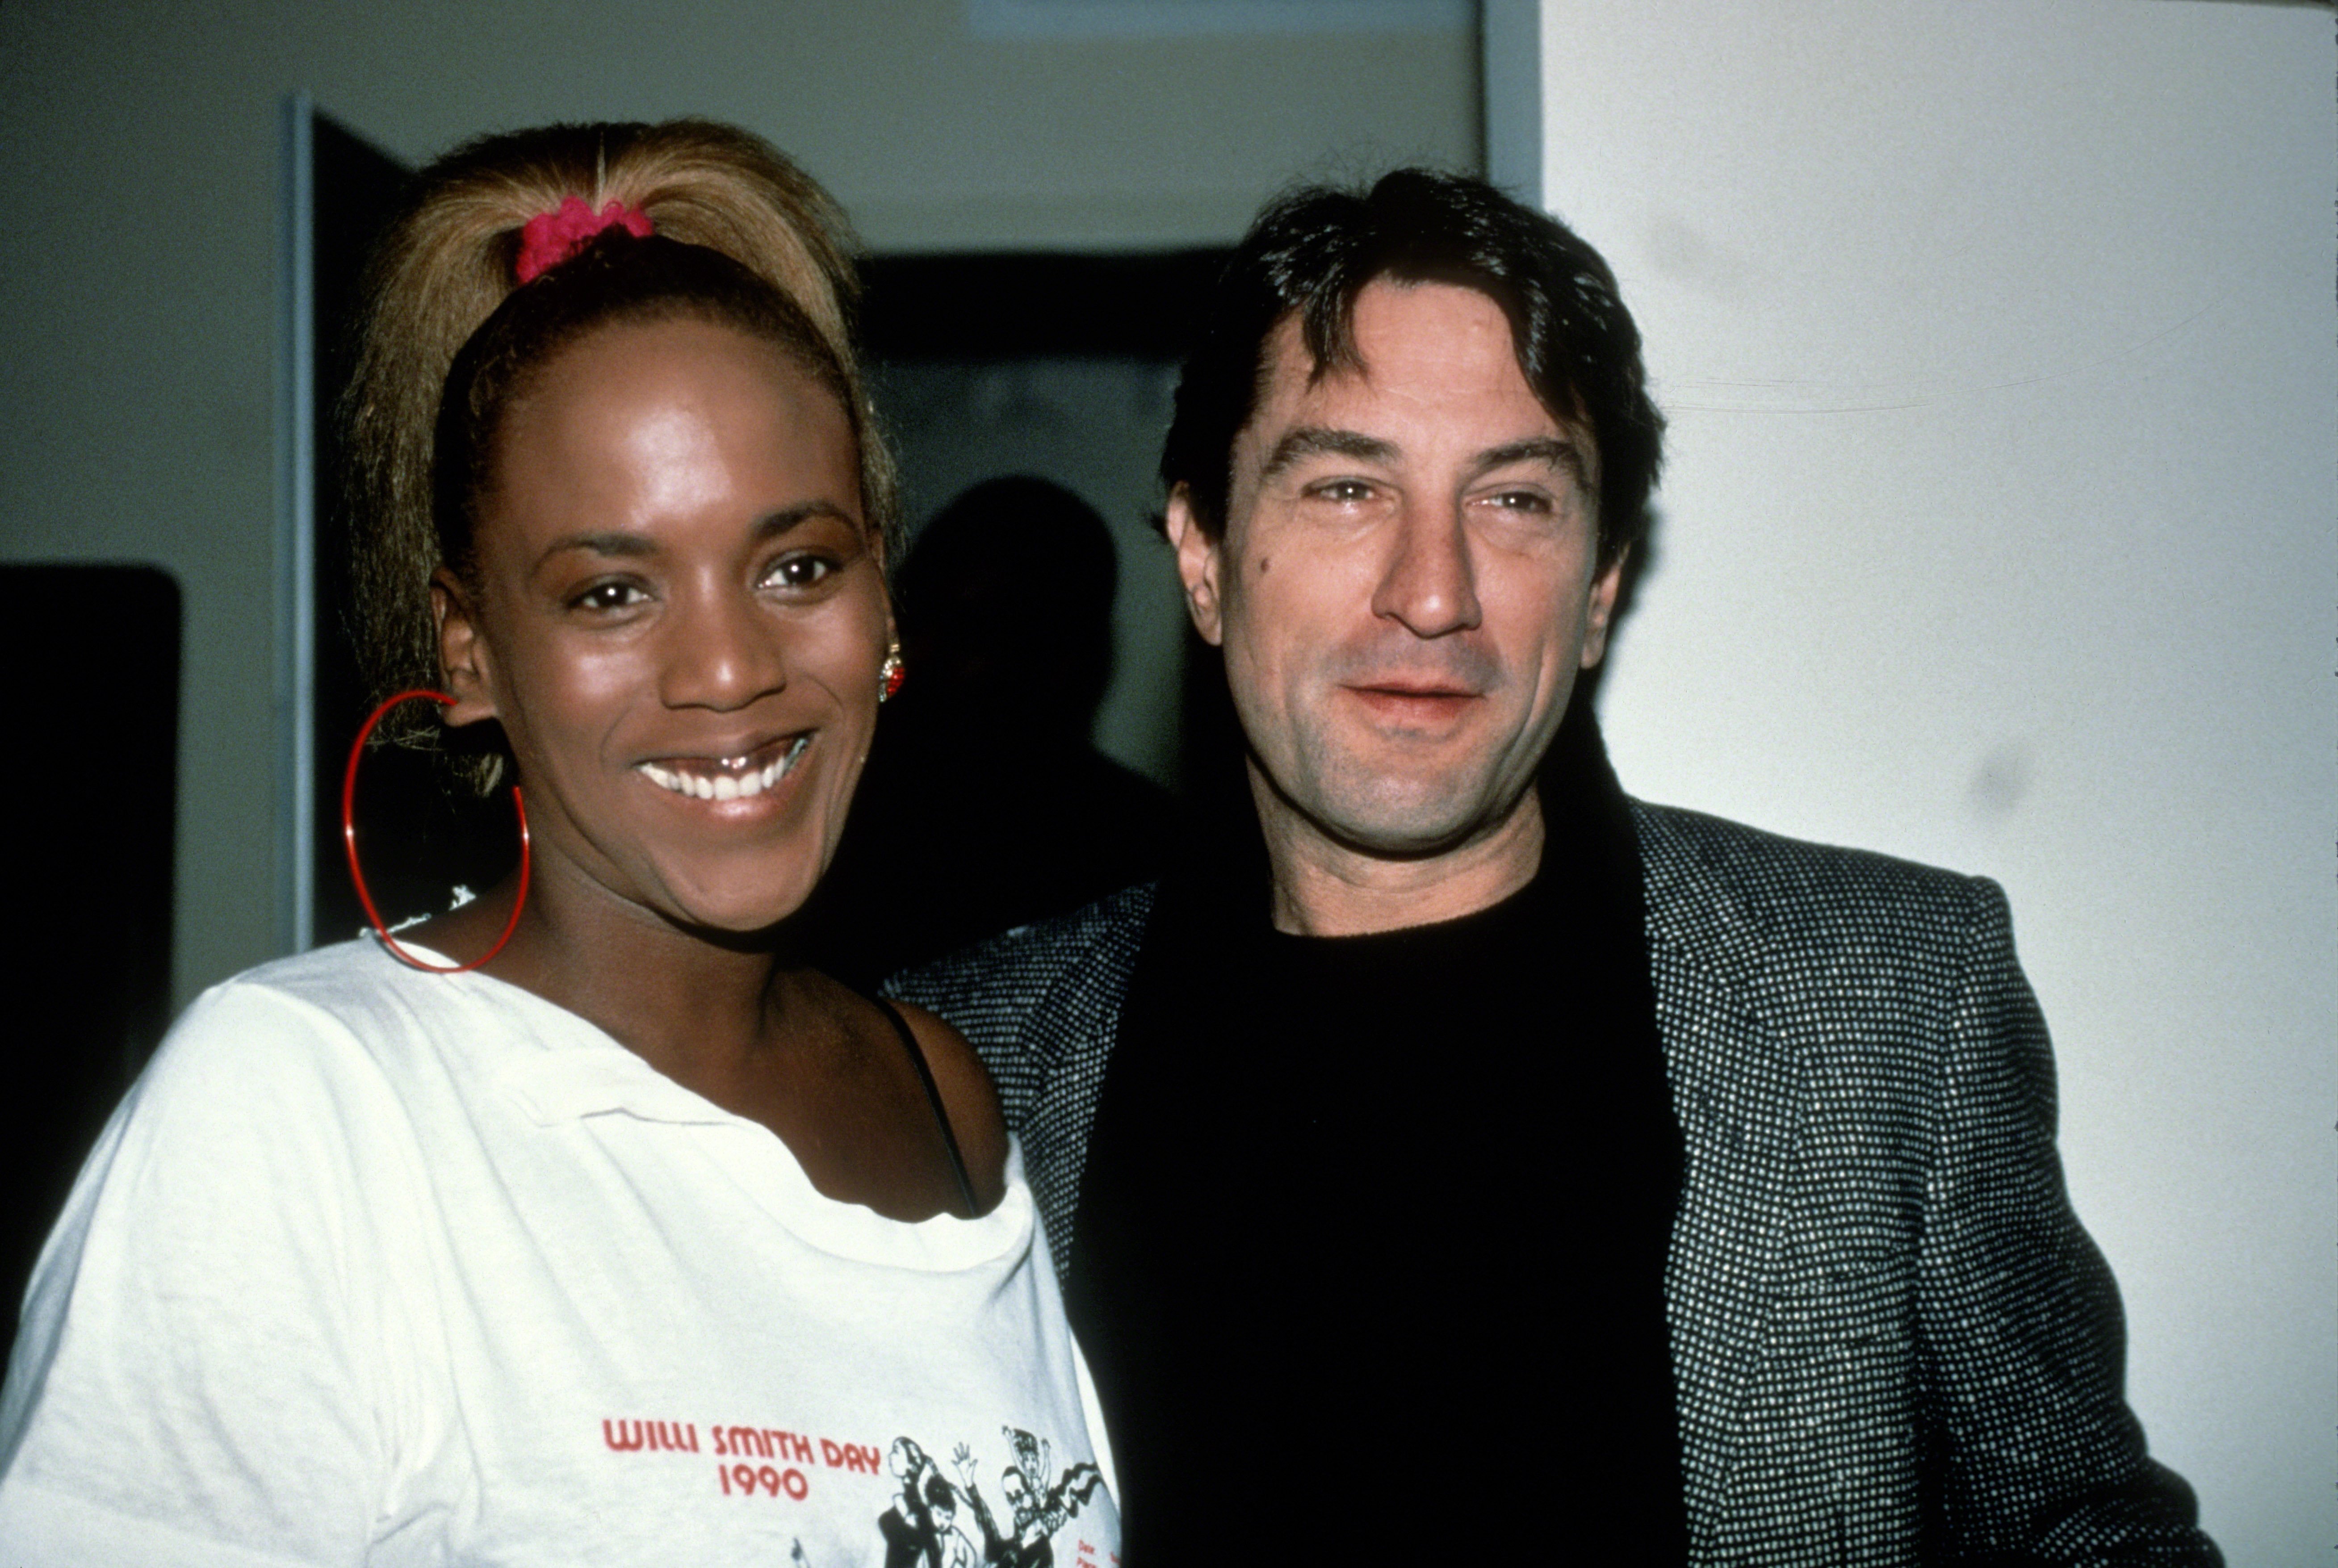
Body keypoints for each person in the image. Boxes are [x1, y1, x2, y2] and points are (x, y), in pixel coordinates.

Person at [889, 170, 2219, 1563]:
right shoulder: (959, 1061)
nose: (1432, 590)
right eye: (1347, 487)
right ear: (1205, 555)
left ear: (1595, 590)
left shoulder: (1888, 1008)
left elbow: (2085, 1535)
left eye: (1513, 499)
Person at [0, 121, 1117, 1565]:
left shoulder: (941, 1096)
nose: (728, 669)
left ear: (882, 606)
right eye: (609, 592)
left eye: (797, 565)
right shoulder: (297, 1110)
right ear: (468, 649)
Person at [809, 475, 1177, 988]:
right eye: (918, 616)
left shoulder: (1148, 859)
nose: (923, 653)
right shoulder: (819, 815)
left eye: (977, 630)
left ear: (1063, 657)